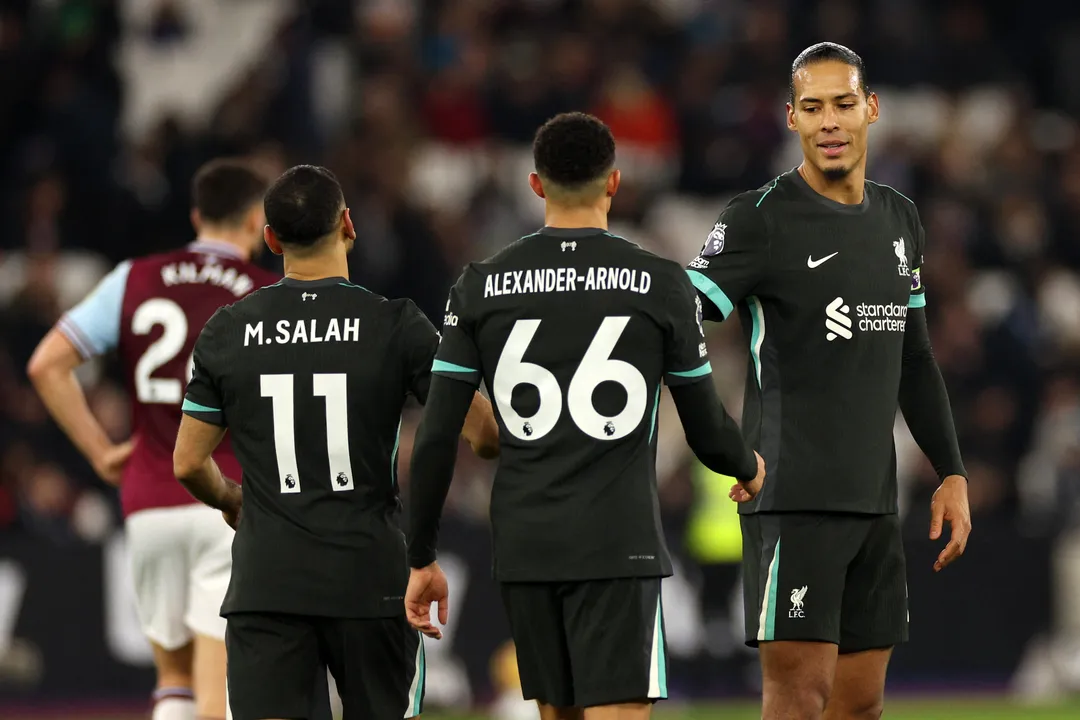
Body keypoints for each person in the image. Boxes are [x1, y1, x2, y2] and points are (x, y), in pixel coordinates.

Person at [404, 112, 766, 720]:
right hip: (615, 542)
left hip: (525, 545)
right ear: (615, 183)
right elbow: (704, 423)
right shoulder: (659, 283)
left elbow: (440, 432)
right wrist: (745, 464)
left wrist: (420, 555)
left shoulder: (479, 285)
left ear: (536, 185)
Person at [683, 42, 972, 720]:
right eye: (812, 107)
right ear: (792, 119)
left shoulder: (900, 219)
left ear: (870, 108)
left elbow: (916, 360)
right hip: (793, 500)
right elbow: (678, 316)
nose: (830, 121)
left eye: (843, 104)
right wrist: (724, 443)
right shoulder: (757, 219)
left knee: (861, 706)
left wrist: (951, 471)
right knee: (798, 700)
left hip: (875, 501)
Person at [172, 164, 499, 720]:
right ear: (349, 224)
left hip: (267, 585)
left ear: (271, 240)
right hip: (369, 580)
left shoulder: (227, 330)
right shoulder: (396, 325)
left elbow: (187, 462)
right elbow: (485, 435)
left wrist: (231, 500)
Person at [27, 158, 281, 720]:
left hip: (147, 499)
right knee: (220, 691)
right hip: (229, 498)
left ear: (196, 215)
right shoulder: (268, 294)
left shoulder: (133, 278)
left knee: (173, 682)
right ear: (255, 225)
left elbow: (47, 364)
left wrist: (98, 451)